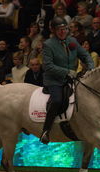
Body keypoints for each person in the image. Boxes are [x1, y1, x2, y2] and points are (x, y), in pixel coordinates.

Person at [40, 16, 94, 144]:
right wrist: (67, 72)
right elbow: (48, 66)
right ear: (53, 30)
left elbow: (85, 55)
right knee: (57, 100)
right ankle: (46, 131)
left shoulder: (72, 41)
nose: (63, 31)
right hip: (55, 80)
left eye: (64, 29)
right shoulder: (48, 45)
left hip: (72, 79)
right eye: (59, 29)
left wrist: (91, 68)